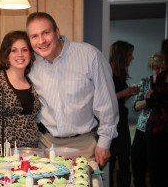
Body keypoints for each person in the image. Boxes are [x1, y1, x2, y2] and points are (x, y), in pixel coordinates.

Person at [26, 12, 119, 168]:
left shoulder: (89, 55)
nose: (41, 41)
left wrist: (105, 142)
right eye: (34, 36)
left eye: (46, 33)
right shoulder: (31, 64)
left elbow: (106, 103)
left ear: (57, 32)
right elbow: (10, 76)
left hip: (83, 146)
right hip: (45, 145)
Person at [131, 52, 165, 187]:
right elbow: (136, 106)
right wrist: (148, 99)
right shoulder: (145, 81)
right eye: (156, 68)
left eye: (161, 68)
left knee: (157, 169)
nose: (158, 71)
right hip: (142, 129)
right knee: (137, 164)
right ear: (152, 68)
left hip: (159, 132)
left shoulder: (166, 86)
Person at [109, 40, 140, 187]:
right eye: (130, 55)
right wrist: (126, 92)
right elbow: (105, 99)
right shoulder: (108, 72)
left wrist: (130, 93)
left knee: (124, 161)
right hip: (111, 121)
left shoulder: (120, 73)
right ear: (122, 55)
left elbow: (119, 99)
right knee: (112, 160)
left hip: (121, 119)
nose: (132, 58)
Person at [145, 39, 168, 187]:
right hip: (155, 128)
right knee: (155, 169)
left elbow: (153, 99)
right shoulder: (160, 77)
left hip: (162, 127)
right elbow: (150, 100)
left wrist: (153, 98)